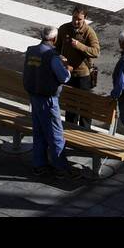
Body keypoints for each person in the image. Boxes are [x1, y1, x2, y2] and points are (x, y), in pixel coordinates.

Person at [23, 26, 72, 176]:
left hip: (34, 97)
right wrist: (67, 68)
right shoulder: (51, 56)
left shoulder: (31, 51)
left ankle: (39, 164)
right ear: (54, 39)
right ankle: (61, 168)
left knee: (38, 132)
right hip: (48, 100)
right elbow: (64, 77)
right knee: (55, 134)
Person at [56, 7, 100, 130]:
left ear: (85, 19)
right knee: (70, 107)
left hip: (83, 76)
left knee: (85, 108)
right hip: (68, 74)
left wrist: (79, 45)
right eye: (74, 18)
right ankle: (70, 131)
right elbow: (56, 48)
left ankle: (84, 132)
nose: (76, 21)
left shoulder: (89, 32)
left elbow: (96, 52)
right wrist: (60, 59)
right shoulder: (64, 29)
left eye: (79, 19)